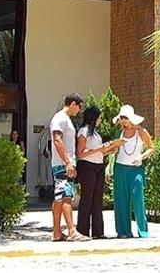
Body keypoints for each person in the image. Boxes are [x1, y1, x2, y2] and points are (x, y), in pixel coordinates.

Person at [107, 105, 154, 238]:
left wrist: (141, 157)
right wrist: (109, 166)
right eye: (121, 118)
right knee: (120, 200)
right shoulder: (119, 133)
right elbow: (113, 151)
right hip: (120, 168)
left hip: (135, 169)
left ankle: (143, 231)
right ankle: (123, 231)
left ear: (131, 118)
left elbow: (151, 148)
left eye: (125, 118)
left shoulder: (141, 131)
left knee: (138, 198)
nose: (123, 121)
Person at [49, 93, 89, 242]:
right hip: (62, 164)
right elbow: (57, 140)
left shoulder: (64, 119)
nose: (79, 111)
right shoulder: (60, 118)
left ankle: (57, 232)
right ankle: (72, 231)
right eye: (79, 107)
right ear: (73, 104)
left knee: (59, 197)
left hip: (63, 163)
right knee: (66, 195)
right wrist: (67, 162)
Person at [76, 106, 110, 239]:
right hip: (87, 166)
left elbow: (97, 151)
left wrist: (109, 149)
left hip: (98, 165)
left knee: (97, 199)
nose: (100, 120)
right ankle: (82, 231)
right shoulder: (83, 131)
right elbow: (80, 153)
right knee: (87, 198)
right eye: (99, 117)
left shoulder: (96, 133)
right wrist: (99, 149)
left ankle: (98, 231)